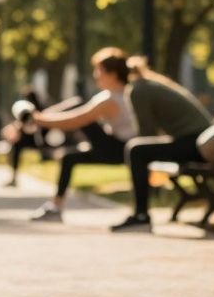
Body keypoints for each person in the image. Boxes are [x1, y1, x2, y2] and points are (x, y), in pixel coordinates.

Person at [27, 48, 138, 222]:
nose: (96, 75)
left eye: (99, 70)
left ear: (113, 74)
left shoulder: (110, 99)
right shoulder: (121, 94)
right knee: (69, 158)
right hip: (116, 147)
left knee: (77, 106)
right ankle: (55, 207)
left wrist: (40, 121)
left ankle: (37, 125)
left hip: (120, 150)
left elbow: (76, 120)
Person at [111, 57, 214, 233]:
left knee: (136, 150)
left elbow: (146, 133)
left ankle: (141, 215)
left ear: (116, 75)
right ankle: (141, 212)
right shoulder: (146, 84)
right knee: (138, 150)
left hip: (196, 143)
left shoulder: (137, 90)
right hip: (199, 140)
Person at [3, 87, 48, 188]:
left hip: (37, 140)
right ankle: (13, 177)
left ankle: (14, 177)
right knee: (15, 145)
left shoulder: (31, 110)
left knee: (16, 146)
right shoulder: (39, 109)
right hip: (36, 139)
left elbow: (25, 127)